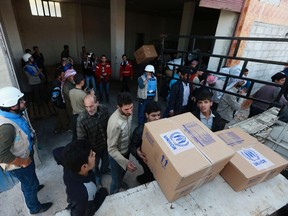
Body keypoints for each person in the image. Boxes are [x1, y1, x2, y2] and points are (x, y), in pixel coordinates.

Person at [0, 87, 52, 214]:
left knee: (31, 179)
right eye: (20, 100)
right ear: (12, 106)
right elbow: (1, 154)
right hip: (19, 163)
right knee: (28, 185)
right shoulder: (6, 127)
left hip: (25, 156)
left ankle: (34, 185)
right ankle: (34, 208)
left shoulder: (14, 114)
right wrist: (22, 162)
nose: (24, 102)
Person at [53, 140, 108, 216]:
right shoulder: (83, 194)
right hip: (82, 201)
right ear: (84, 166)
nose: (95, 154)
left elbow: (55, 152)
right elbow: (81, 213)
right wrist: (103, 193)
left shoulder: (70, 161)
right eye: (92, 155)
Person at [77, 94, 110, 188]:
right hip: (94, 150)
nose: (89, 109)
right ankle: (97, 177)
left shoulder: (104, 110)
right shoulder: (81, 120)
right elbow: (81, 140)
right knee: (94, 167)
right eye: (86, 107)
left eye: (91, 106)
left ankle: (104, 170)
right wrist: (89, 153)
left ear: (97, 103)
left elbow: (110, 125)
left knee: (106, 161)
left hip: (106, 145)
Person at [107, 92, 137, 194]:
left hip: (126, 150)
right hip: (116, 156)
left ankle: (120, 182)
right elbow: (111, 149)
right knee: (115, 181)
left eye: (131, 107)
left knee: (123, 171)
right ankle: (113, 195)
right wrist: (125, 162)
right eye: (126, 109)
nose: (130, 111)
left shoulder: (129, 114)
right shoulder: (115, 123)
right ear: (118, 107)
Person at [130, 101, 161, 184]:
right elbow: (132, 146)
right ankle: (141, 179)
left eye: (158, 115)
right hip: (144, 159)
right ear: (147, 115)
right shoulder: (139, 131)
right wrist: (137, 153)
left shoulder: (161, 126)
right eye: (153, 115)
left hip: (157, 158)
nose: (157, 118)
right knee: (149, 174)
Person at [69, 73, 92, 141]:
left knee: (75, 134)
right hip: (82, 116)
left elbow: (77, 96)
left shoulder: (71, 91)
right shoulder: (83, 95)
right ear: (82, 82)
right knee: (83, 136)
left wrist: (83, 92)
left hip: (74, 116)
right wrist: (91, 95)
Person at [51, 69, 69, 134]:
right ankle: (65, 129)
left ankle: (57, 129)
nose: (64, 76)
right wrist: (56, 103)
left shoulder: (58, 82)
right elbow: (54, 96)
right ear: (59, 76)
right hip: (59, 104)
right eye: (63, 75)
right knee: (64, 117)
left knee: (60, 117)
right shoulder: (57, 84)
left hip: (58, 104)